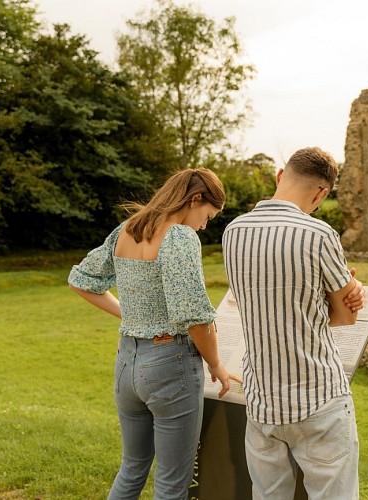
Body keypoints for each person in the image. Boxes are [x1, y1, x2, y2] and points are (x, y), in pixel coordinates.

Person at [68, 168, 241, 500]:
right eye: (207, 216)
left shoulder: (127, 229)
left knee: (131, 469)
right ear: (195, 199)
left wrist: (131, 315)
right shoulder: (179, 236)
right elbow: (193, 315)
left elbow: (81, 281)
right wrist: (216, 364)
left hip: (127, 366)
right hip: (170, 366)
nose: (204, 225)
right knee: (171, 484)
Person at [222, 146, 366, 499]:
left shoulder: (233, 231)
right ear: (321, 193)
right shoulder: (319, 235)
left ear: (280, 176)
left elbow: (251, 302)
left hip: (262, 399)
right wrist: (354, 289)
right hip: (318, 396)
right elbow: (346, 316)